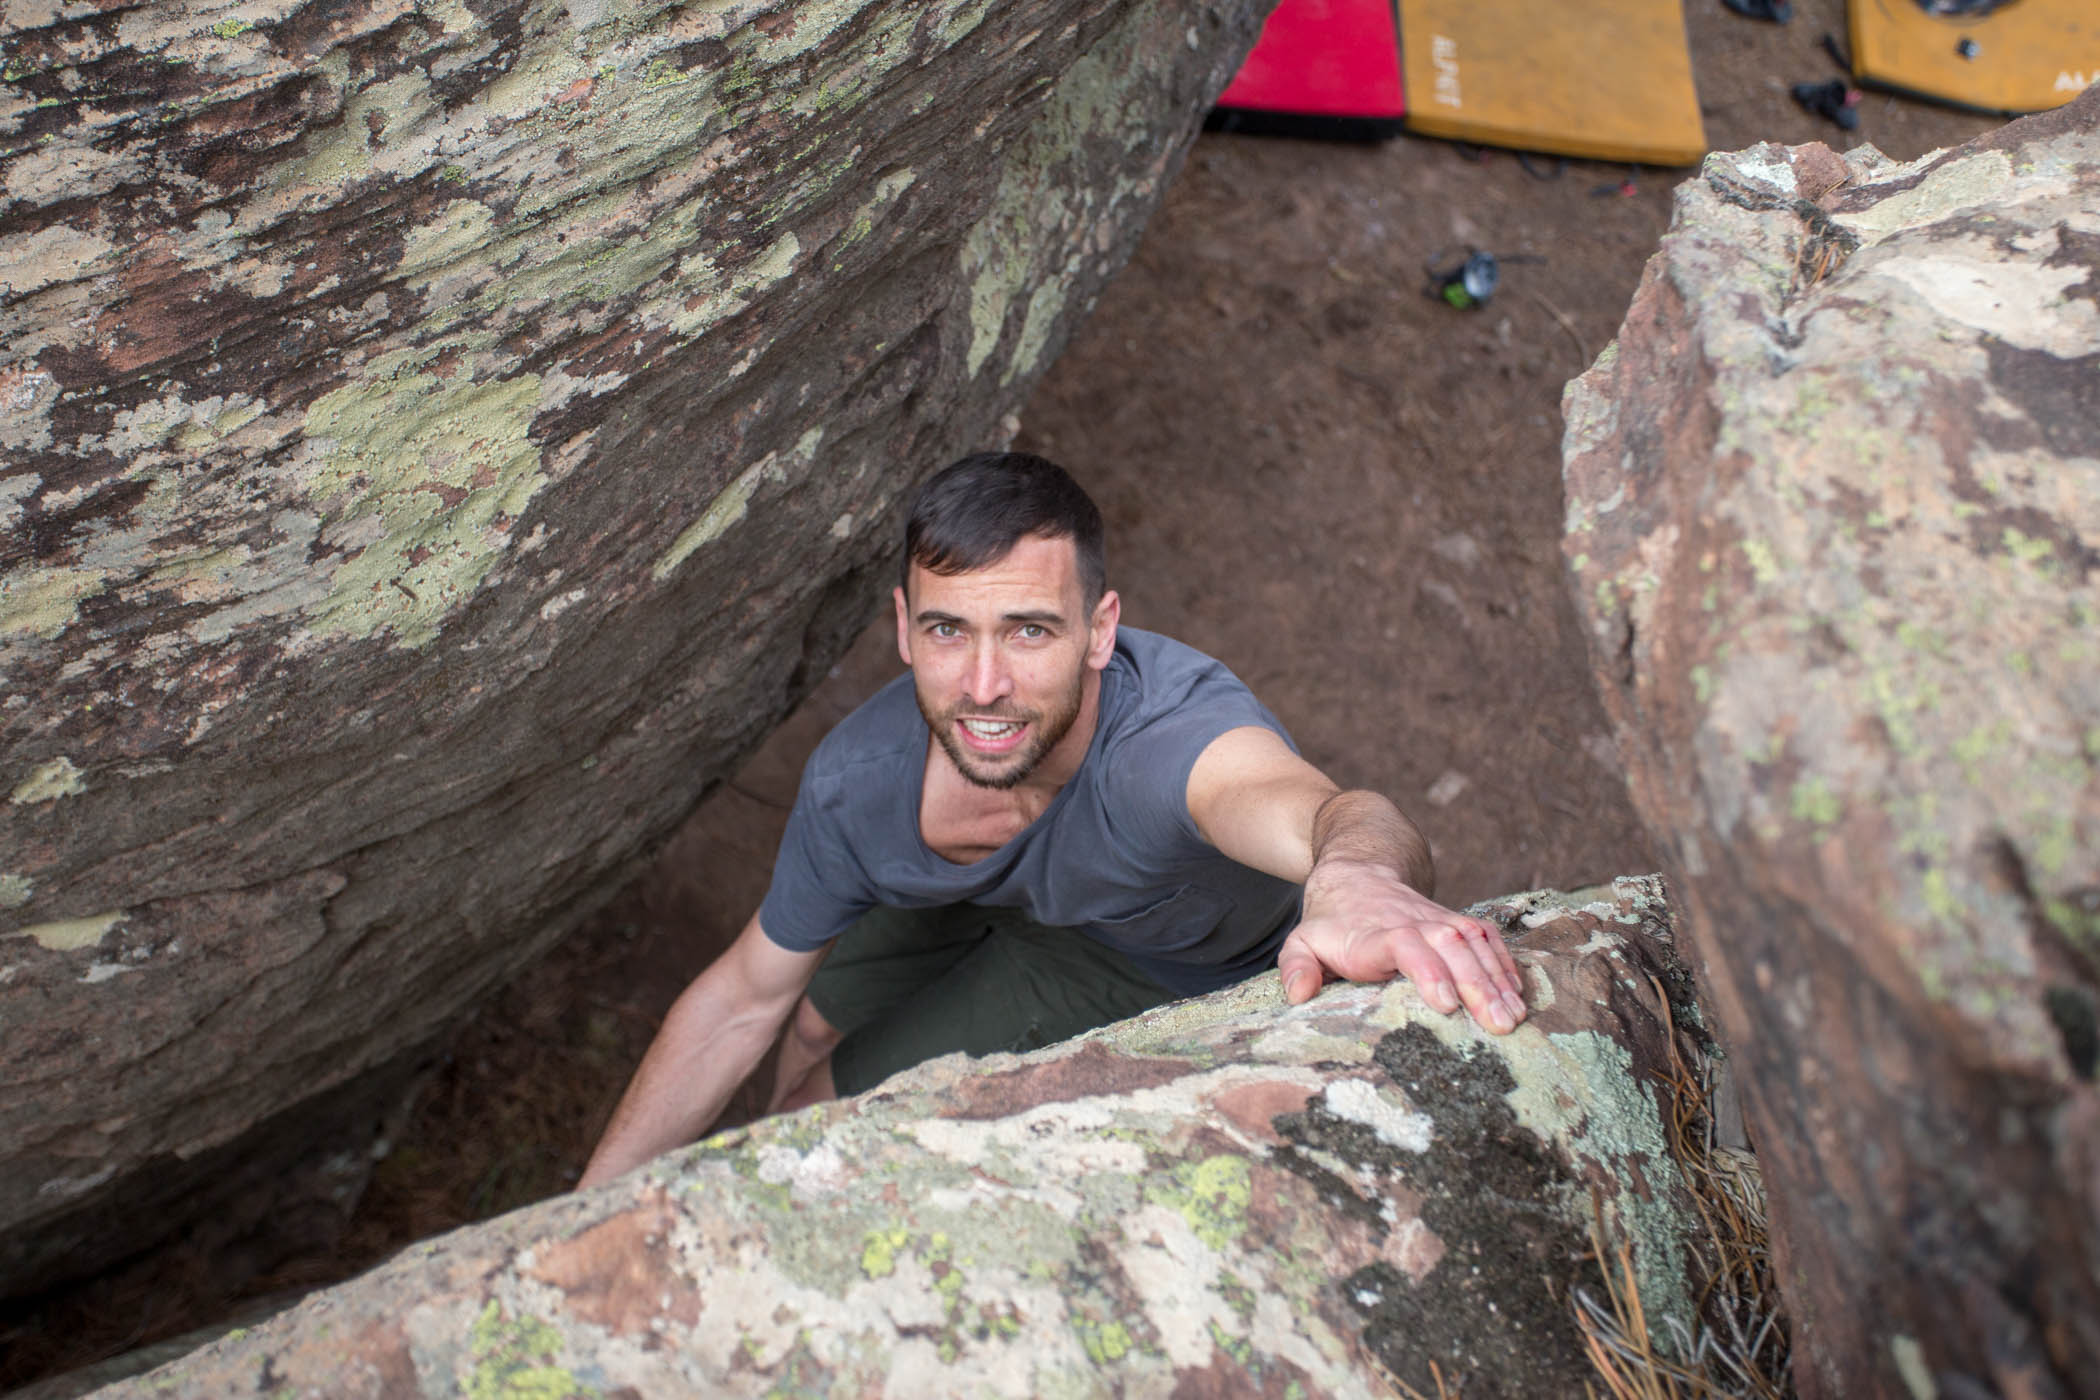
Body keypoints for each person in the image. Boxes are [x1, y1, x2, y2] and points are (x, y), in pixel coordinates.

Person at [578, 452, 1525, 1187]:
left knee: (823, 1120)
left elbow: (1324, 812)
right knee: (810, 1033)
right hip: (964, 892)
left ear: (1100, 632)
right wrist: (579, 1219)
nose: (984, 687)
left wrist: (1355, 876)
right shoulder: (859, 786)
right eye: (951, 631)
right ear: (905, 630)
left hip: (1131, 957)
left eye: (1029, 630)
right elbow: (740, 1000)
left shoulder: (1167, 746)